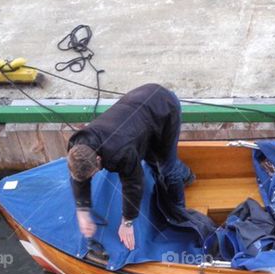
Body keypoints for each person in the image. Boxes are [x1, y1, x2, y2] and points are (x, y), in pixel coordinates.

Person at [66, 83, 194, 251]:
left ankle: (179, 211)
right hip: (141, 106)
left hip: (165, 108)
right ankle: (187, 175)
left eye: (95, 173)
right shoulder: (77, 145)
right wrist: (82, 210)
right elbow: (80, 176)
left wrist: (127, 222)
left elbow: (133, 184)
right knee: (150, 158)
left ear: (98, 158)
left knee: (166, 168)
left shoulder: (120, 152)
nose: (95, 176)